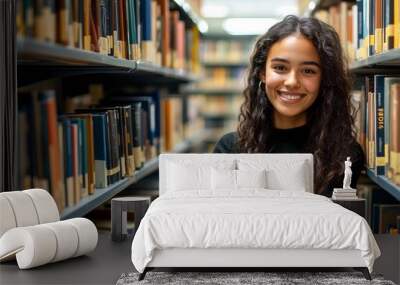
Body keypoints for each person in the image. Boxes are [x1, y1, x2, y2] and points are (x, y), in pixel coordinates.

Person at [213, 15, 364, 197]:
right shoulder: (230, 149)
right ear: (262, 73)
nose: (292, 82)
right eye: (280, 68)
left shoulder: (343, 156)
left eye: (308, 71)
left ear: (324, 79)